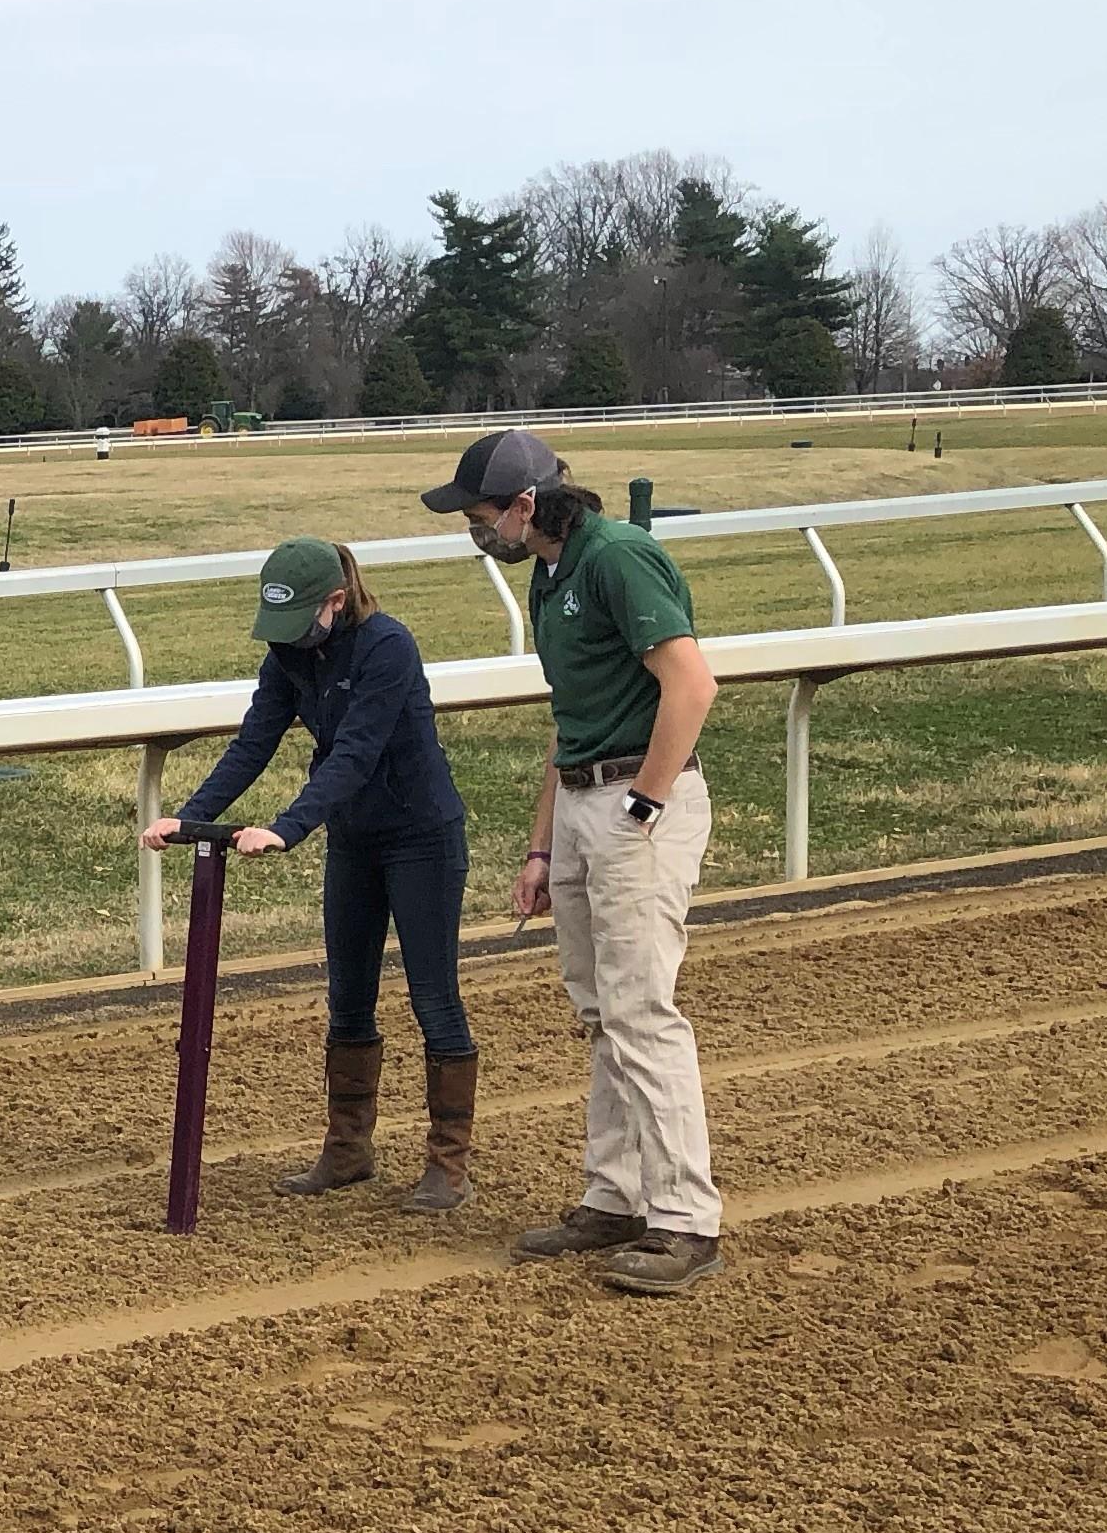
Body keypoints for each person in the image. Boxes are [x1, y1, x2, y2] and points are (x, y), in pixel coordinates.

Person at [421, 427, 723, 1295]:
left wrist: (646, 803)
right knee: (601, 1015)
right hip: (587, 803)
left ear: (525, 505)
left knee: (641, 1013)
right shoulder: (552, 577)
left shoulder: (619, 559)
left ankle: (686, 1221)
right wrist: (542, 844)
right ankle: (615, 1196)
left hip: (638, 805)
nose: (473, 530)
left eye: (479, 515)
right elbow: (570, 721)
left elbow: (692, 684)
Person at [146, 533, 477, 1210]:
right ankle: (348, 1149)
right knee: (347, 998)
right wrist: (190, 814)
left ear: (336, 600)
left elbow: (354, 754)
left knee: (433, 1000)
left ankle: (448, 1162)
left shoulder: (388, 646)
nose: (289, 642)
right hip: (354, 840)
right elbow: (255, 741)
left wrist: (288, 828)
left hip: (421, 839)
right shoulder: (289, 654)